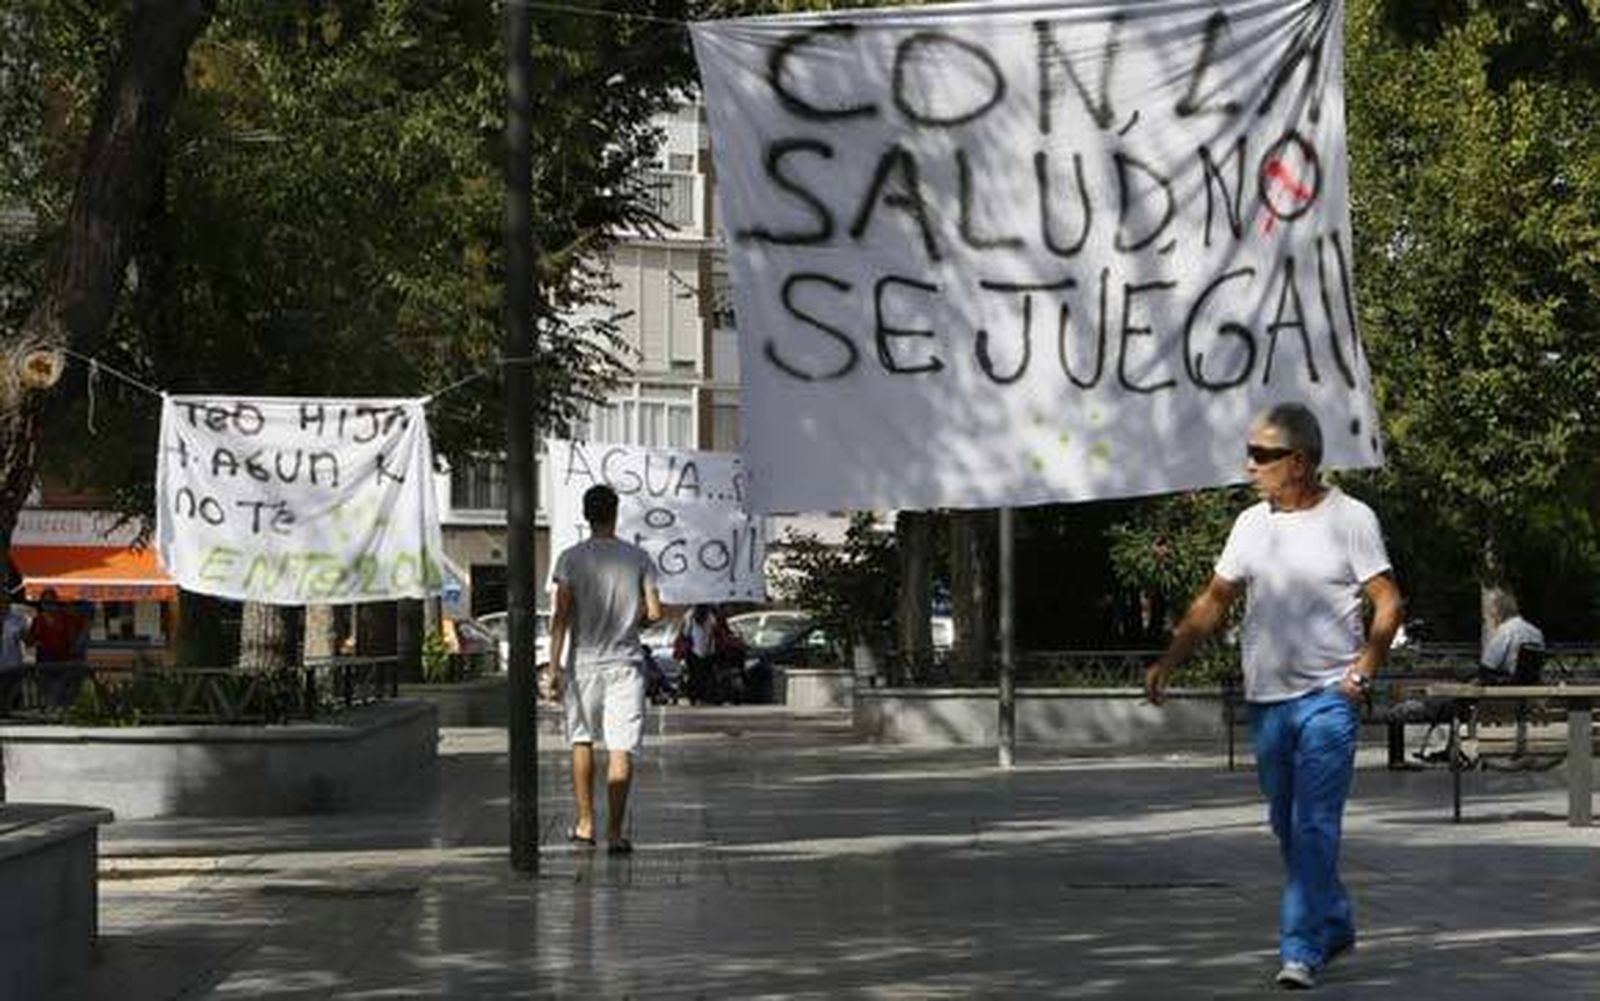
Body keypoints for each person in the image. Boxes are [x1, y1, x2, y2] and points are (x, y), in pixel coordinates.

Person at [1144, 402, 1403, 991]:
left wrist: (1362, 673)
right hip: (1267, 702)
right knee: (1287, 826)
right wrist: (1169, 660)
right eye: (1251, 453)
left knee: (1314, 826)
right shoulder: (1250, 524)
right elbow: (1214, 601)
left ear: (1301, 461)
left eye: (1263, 455)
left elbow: (1388, 602)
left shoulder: (1351, 518)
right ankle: (1333, 920)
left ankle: (1301, 948)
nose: (1251, 464)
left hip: (1329, 700)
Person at [549, 484, 662, 855]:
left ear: (586, 514)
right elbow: (656, 612)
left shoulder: (569, 559)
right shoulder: (639, 558)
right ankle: (615, 833)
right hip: (626, 664)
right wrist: (633, 625)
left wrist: (553, 666)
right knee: (621, 748)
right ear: (616, 513)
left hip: (583, 664)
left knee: (581, 740)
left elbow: (561, 616)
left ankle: (585, 824)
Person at [1479, 592, 1544, 682]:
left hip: (1508, 683)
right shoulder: (1536, 632)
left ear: (1500, 611)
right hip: (1531, 682)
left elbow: (1488, 664)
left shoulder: (1506, 630)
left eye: (1493, 614)